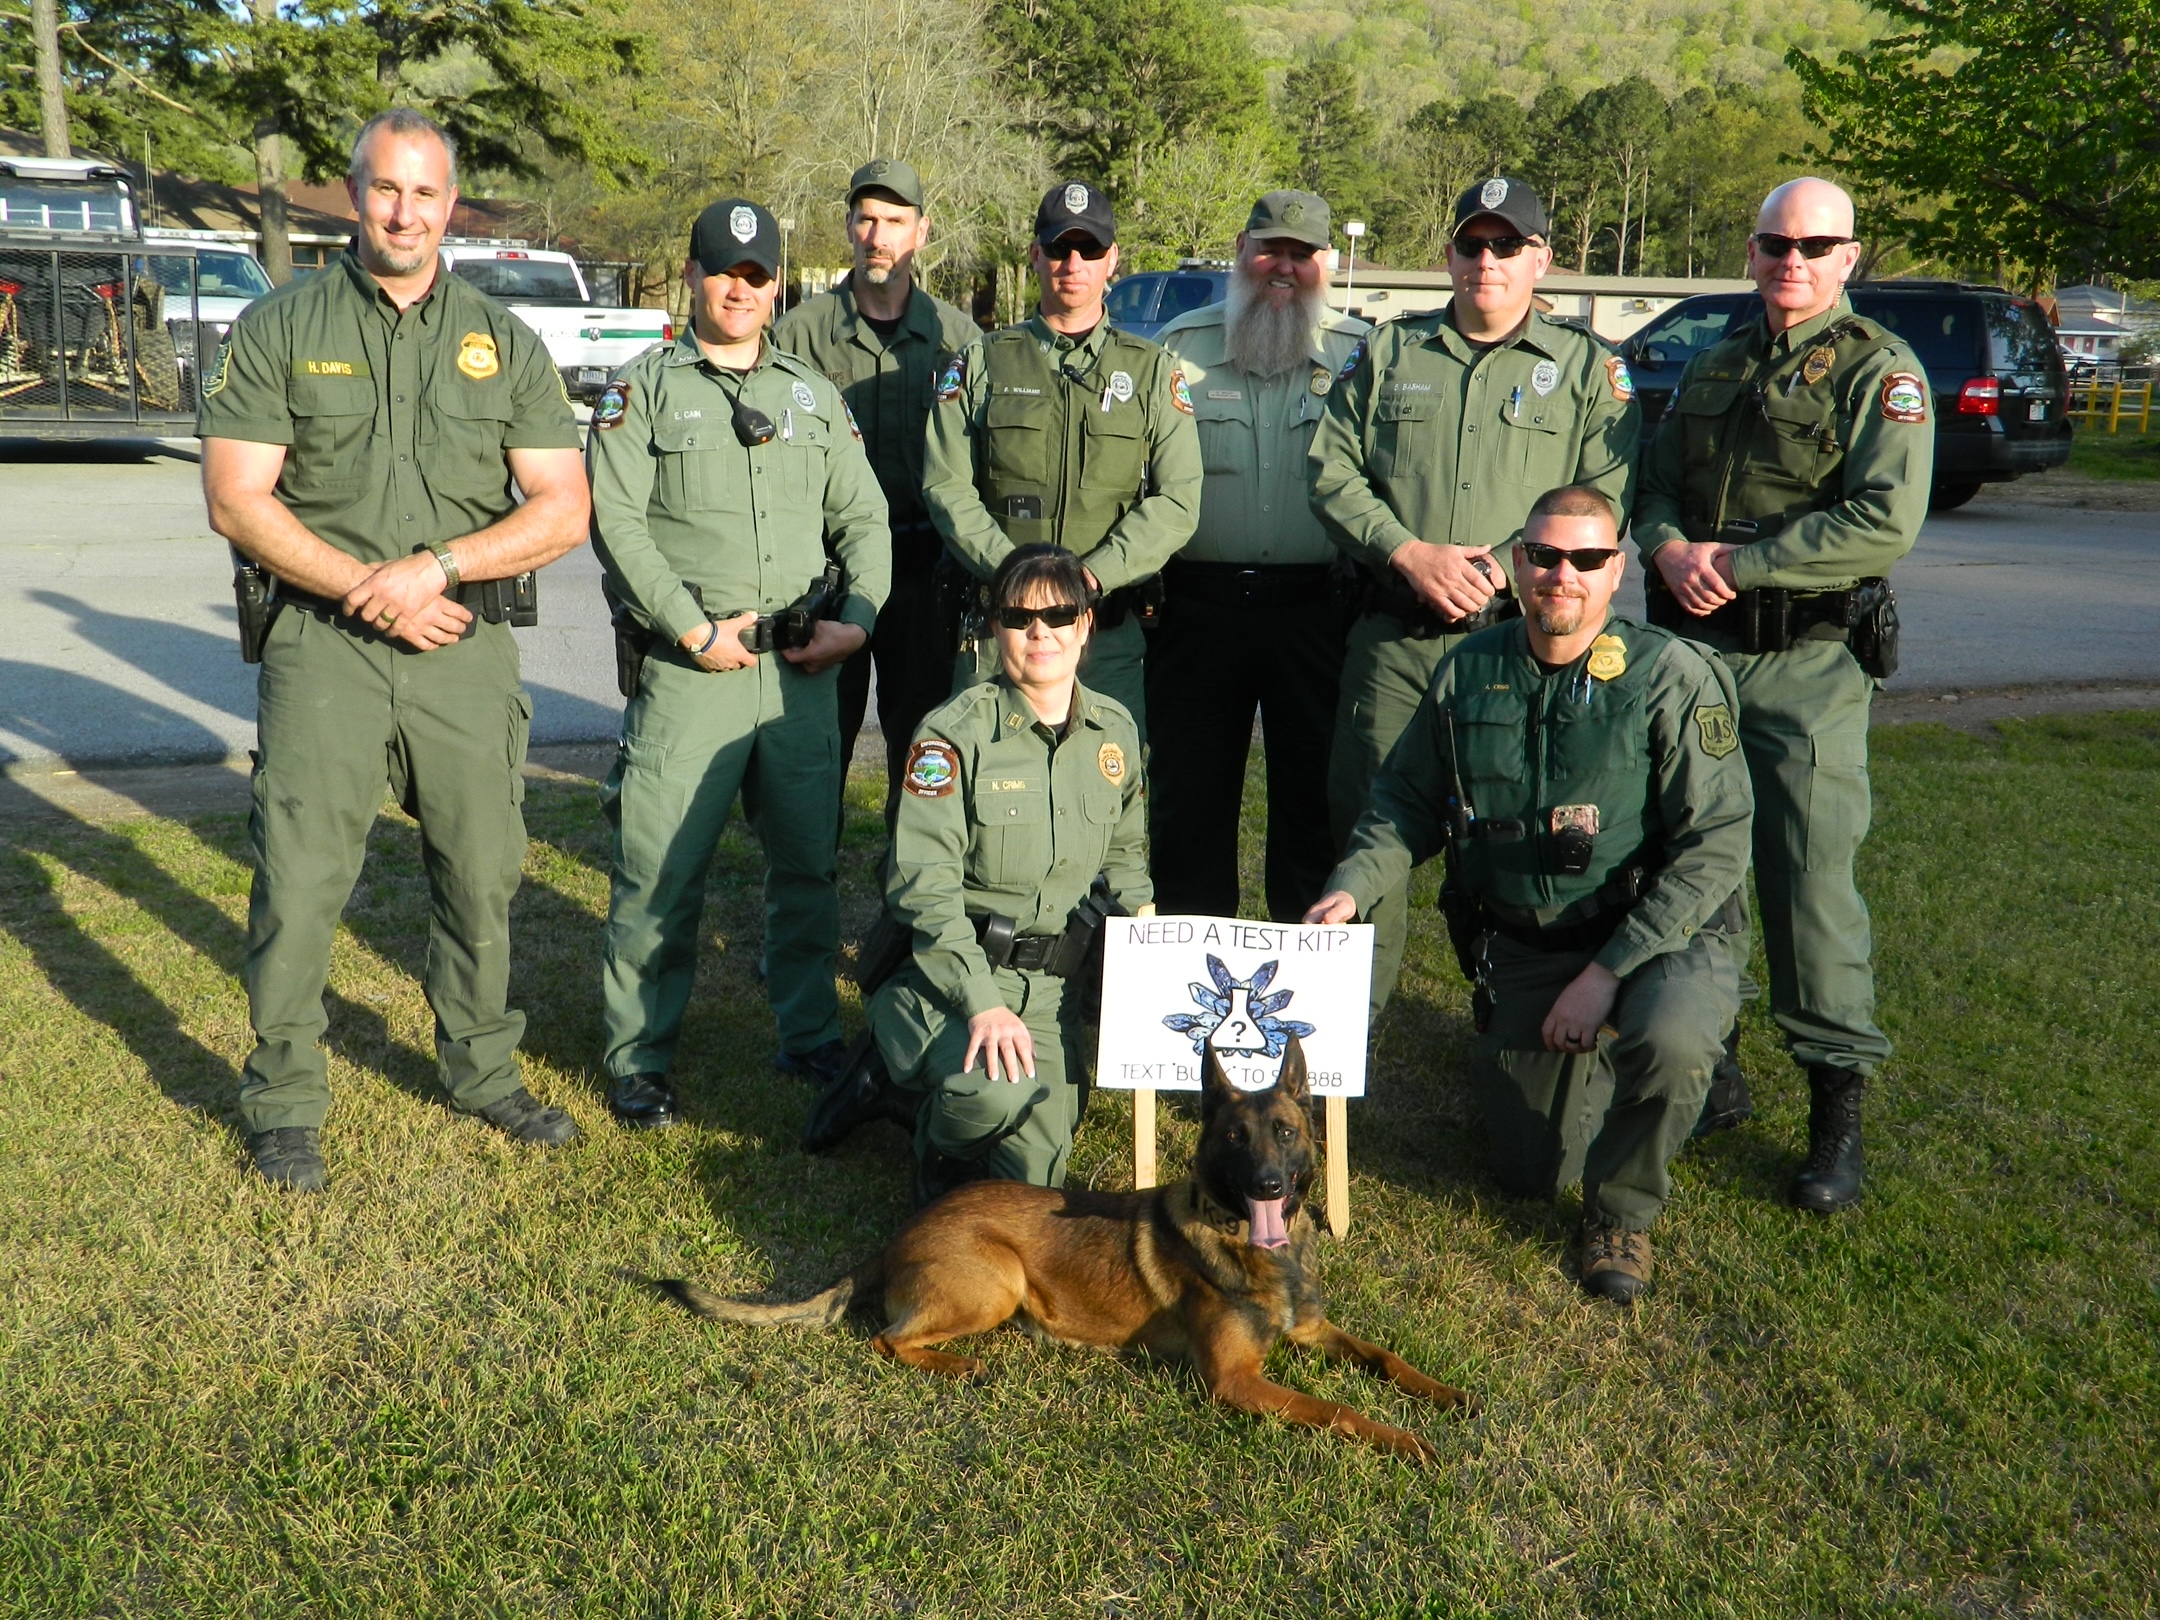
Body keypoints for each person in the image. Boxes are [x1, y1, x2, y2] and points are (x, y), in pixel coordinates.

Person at [199, 109, 591, 1192]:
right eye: (385, 188)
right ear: (353, 192)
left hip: (461, 642)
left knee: (482, 871)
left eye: (425, 192)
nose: (405, 212)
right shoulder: (281, 326)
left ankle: (483, 1071)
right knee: (299, 880)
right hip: (323, 645)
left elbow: (562, 506)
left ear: (450, 205)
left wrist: (439, 569)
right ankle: (285, 1101)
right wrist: (375, 591)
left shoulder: (504, 340)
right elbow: (236, 498)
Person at [1306, 487, 1754, 1303]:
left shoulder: (1670, 674)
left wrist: (1606, 974)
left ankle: (1623, 1211)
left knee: (1672, 1038)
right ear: (1518, 563)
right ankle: (1614, 1062)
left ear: (1615, 570)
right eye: (1545, 555)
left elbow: (1716, 844)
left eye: (1586, 558)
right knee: (1529, 1172)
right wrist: (1350, 887)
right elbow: (1404, 800)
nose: (1562, 574)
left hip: (1655, 932)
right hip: (1529, 941)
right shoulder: (1469, 669)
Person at [1634, 176, 1932, 1212]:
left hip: (1806, 664)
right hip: (1696, 655)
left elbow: (1884, 520)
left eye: (1813, 245)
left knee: (1807, 884)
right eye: (1774, 243)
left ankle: (1834, 1109)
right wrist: (1667, 548)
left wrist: (1739, 565)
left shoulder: (1881, 373)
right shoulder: (1717, 359)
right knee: (1686, 860)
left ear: (1850, 256)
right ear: (1752, 251)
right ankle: (1709, 1066)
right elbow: (1655, 484)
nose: (1790, 261)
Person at [586, 198, 891, 1129]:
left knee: (806, 868)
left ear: (778, 285)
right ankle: (639, 1057)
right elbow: (617, 524)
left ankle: (808, 1032)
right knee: (660, 871)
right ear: (693, 275)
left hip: (798, 676)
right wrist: (690, 630)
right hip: (692, 675)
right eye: (725, 270)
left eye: (758, 275)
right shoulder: (642, 391)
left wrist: (857, 623)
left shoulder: (811, 394)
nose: (741, 288)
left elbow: (864, 518)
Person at [1309, 176, 1640, 1017]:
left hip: (1523, 647)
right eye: (1471, 243)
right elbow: (1330, 470)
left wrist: (1497, 566)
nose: (1486, 260)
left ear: (1541, 259)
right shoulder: (1390, 352)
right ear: (1450, 254)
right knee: (1370, 830)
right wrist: (1408, 552)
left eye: (1506, 245)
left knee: (1530, 832)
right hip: (1396, 637)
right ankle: (1352, 1036)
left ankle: (1524, 1014)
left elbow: (1606, 495)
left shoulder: (1586, 369)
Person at [809, 545, 1151, 1206]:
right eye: (1020, 617)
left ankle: (906, 1089)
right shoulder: (952, 736)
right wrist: (983, 1004)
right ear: (997, 628)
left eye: (1059, 616)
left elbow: (1127, 865)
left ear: (1085, 624)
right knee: (994, 1095)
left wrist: (1145, 963)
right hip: (953, 978)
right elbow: (923, 888)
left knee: (1036, 1182)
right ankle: (928, 1128)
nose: (1040, 633)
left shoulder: (1115, 734)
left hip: (1049, 991)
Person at [1150, 190, 1370, 922]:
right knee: (1188, 802)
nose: (1284, 267)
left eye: (1301, 254)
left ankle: (1306, 966)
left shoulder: (1360, 354)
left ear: (1325, 263)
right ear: (1241, 251)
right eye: (1271, 249)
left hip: (1317, 612)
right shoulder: (1179, 348)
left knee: (1313, 802)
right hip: (1197, 609)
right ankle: (1189, 960)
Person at [922, 181, 1201, 744]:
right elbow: (945, 485)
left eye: (1089, 249)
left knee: (1107, 782)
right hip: (1001, 633)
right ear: (1035, 255)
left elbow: (1178, 499)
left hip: (1104, 637)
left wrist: (1092, 576)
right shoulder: (982, 362)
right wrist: (1020, 580)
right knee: (985, 778)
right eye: (1058, 248)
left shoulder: (1151, 371)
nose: (1073, 263)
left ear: (1112, 259)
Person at [775, 158, 981, 818]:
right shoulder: (797, 336)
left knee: (924, 745)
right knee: (814, 744)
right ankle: (808, 875)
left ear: (921, 232)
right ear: (848, 227)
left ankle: (909, 878)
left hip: (925, 575)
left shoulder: (959, 341)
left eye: (894, 221)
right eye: (866, 219)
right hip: (826, 575)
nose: (878, 235)